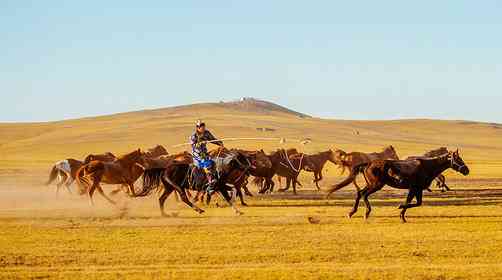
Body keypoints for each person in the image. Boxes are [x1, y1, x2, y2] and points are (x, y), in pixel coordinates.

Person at [190, 120, 224, 195]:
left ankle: (213, 180)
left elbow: (212, 139)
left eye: (204, 127)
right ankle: (209, 183)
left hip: (205, 154)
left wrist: (219, 143)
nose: (203, 129)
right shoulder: (194, 136)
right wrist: (199, 143)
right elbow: (193, 145)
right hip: (197, 155)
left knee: (213, 163)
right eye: (201, 127)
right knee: (207, 165)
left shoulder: (206, 133)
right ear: (197, 128)